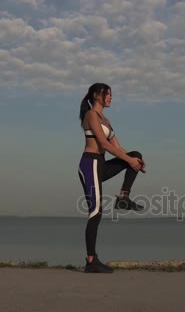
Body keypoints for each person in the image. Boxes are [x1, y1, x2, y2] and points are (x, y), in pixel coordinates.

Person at [77, 83, 146, 273]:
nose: (110, 97)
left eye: (111, 95)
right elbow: (104, 144)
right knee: (96, 212)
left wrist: (135, 161)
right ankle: (91, 261)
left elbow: (118, 147)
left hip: (101, 165)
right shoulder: (91, 115)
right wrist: (128, 160)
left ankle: (123, 198)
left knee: (135, 154)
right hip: (89, 164)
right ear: (96, 95)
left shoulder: (106, 119)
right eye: (108, 94)